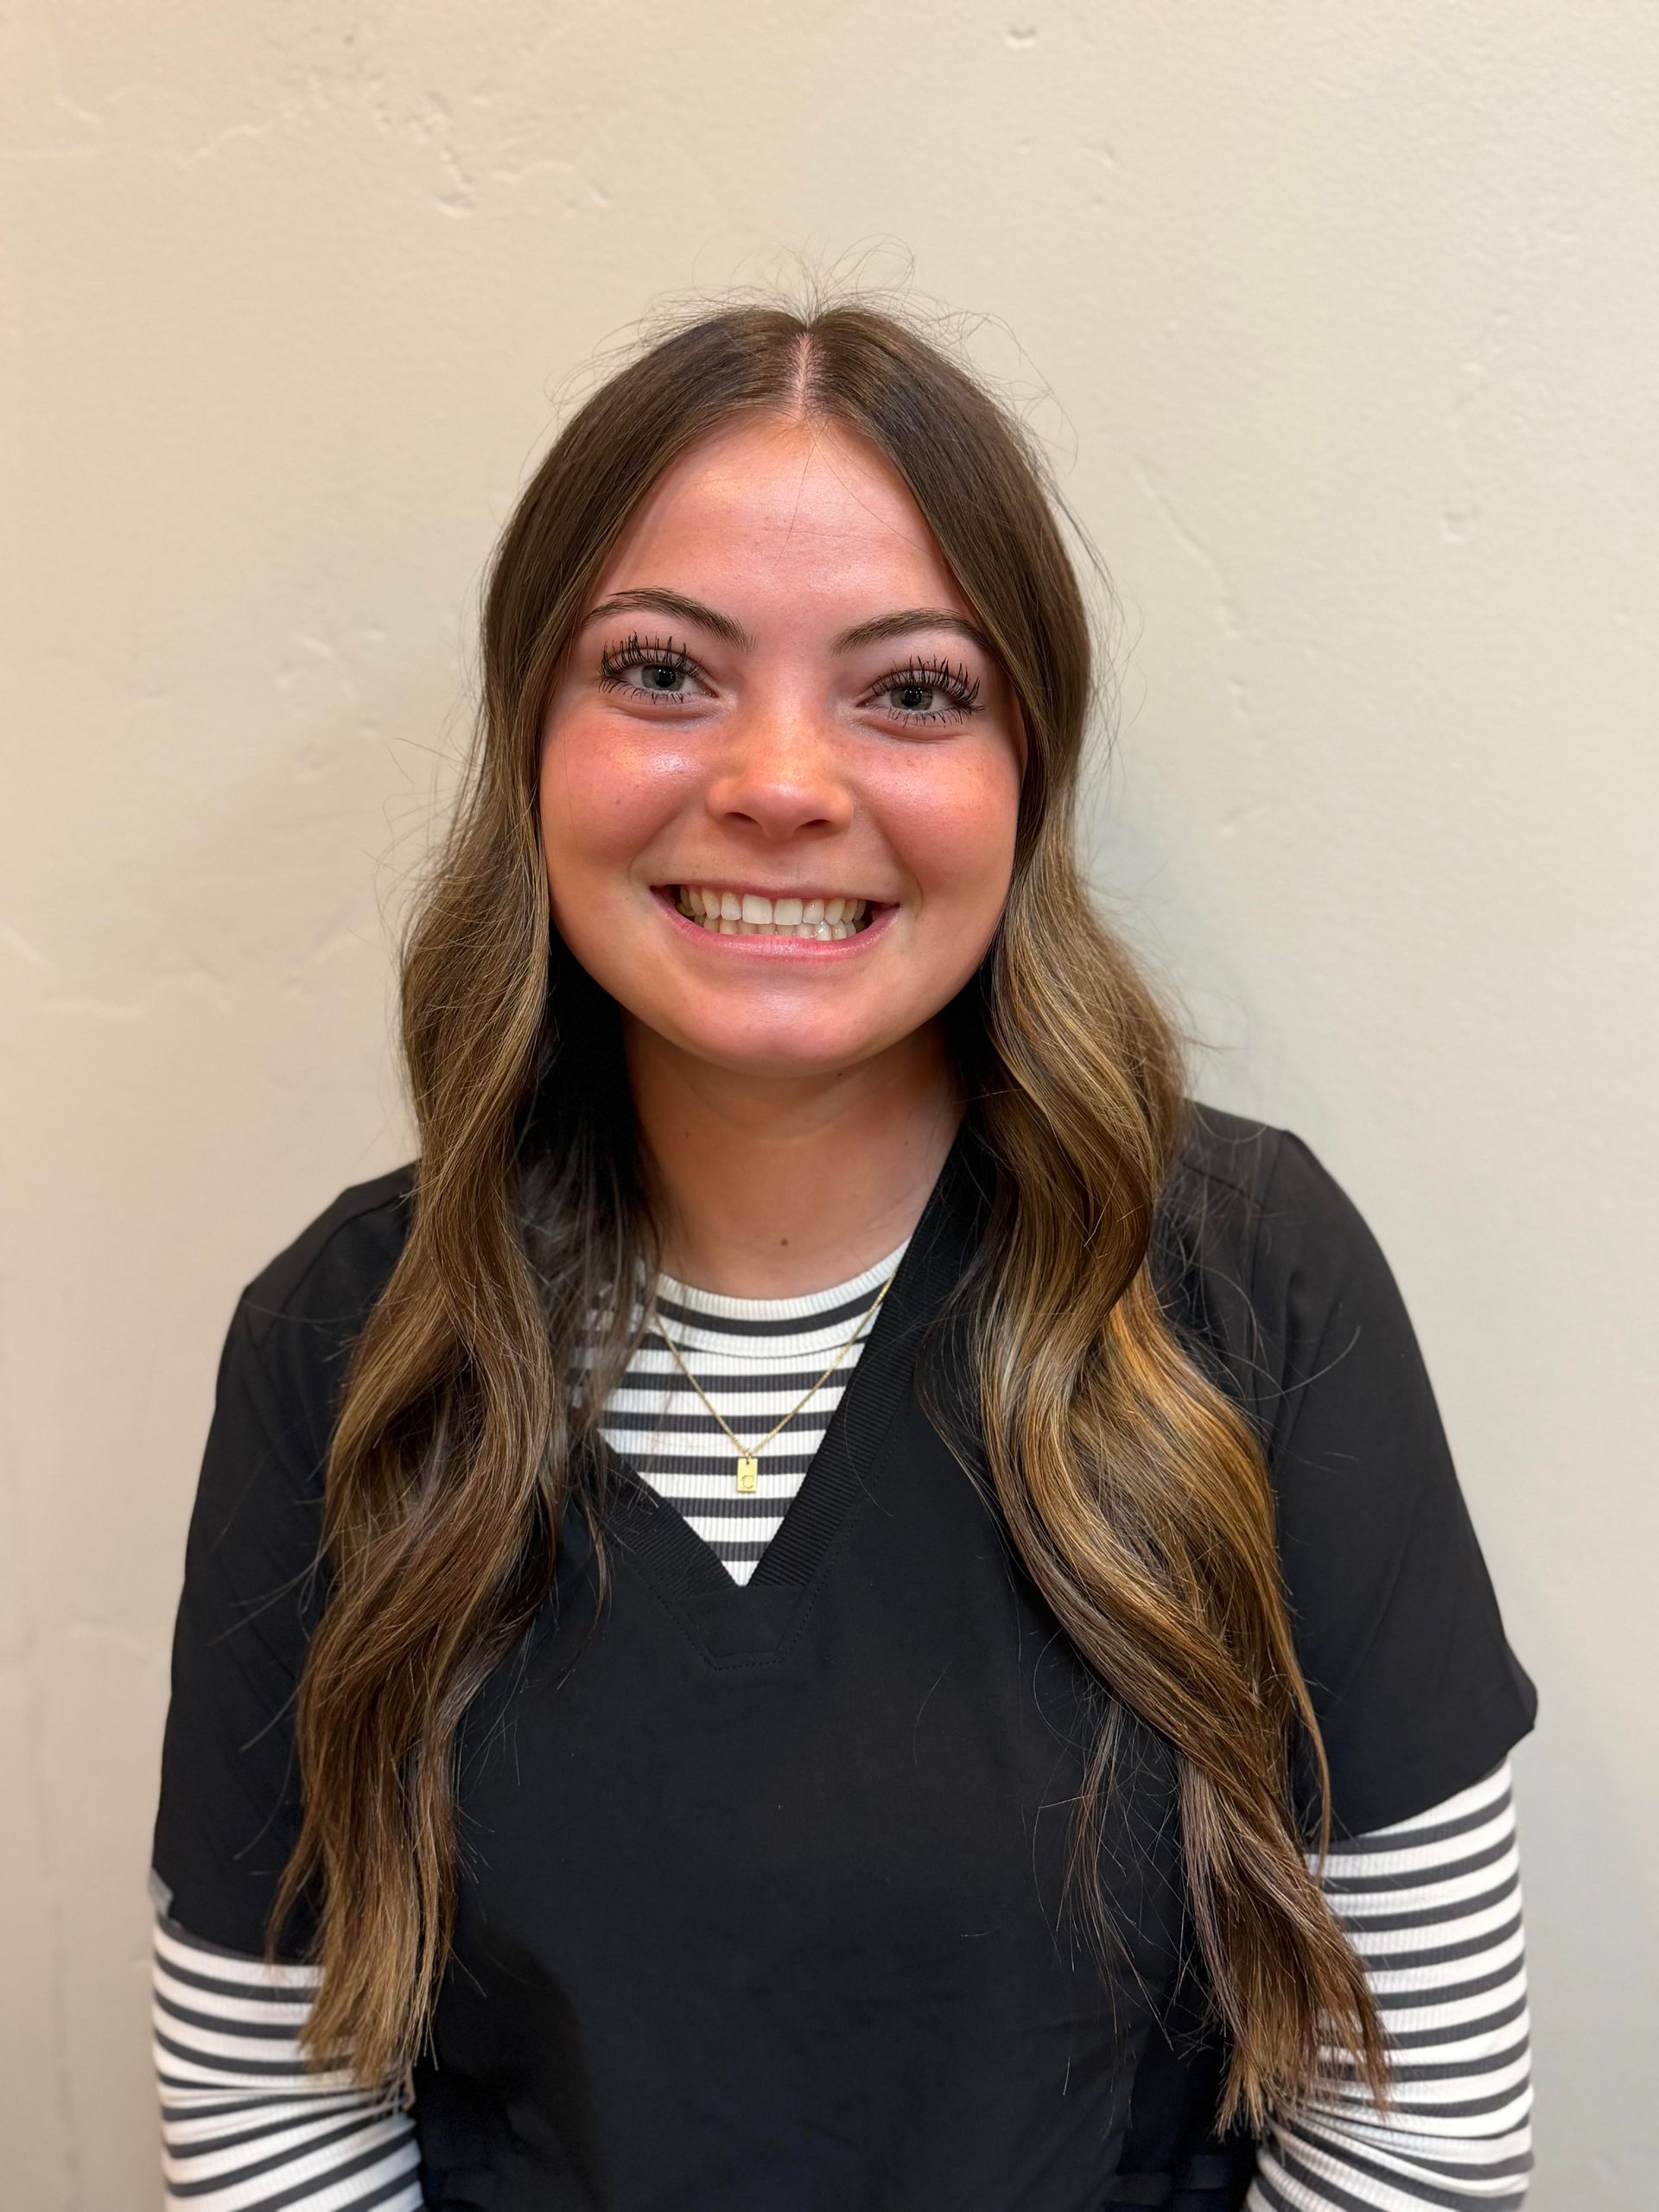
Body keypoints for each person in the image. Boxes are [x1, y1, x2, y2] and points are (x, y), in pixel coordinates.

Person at [149, 298, 1538, 2212]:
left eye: (912, 689)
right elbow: (269, 2115)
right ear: (528, 736)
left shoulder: (1248, 1283)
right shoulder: (351, 1339)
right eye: (661, 671)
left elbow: (1423, 2118)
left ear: (1024, 772)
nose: (783, 780)